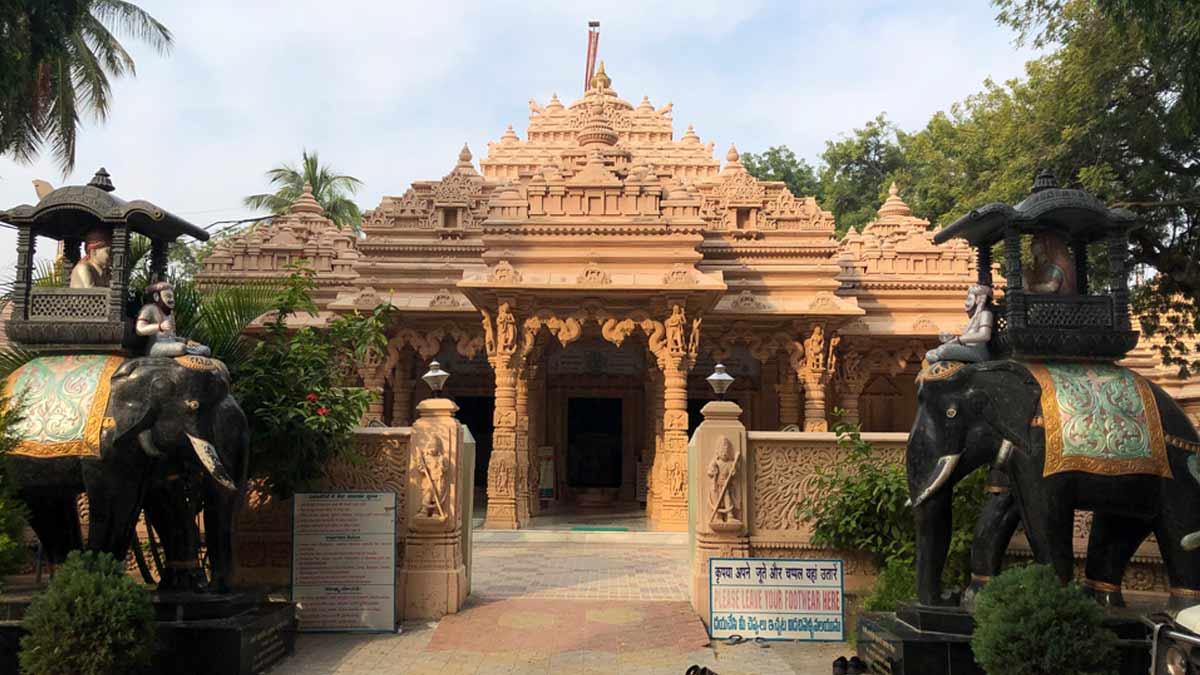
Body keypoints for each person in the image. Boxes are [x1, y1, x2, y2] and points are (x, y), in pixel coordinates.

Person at [136, 281, 211, 357]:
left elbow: (172, 337)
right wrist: (159, 327)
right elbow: (139, 329)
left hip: (172, 345)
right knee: (181, 348)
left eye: (172, 297)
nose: (172, 300)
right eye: (168, 296)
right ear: (156, 296)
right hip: (156, 346)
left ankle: (191, 351)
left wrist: (186, 341)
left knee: (205, 349)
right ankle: (189, 351)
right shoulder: (149, 309)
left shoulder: (170, 314)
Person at [925, 284, 994, 364]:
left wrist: (958, 340)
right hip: (967, 347)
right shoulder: (973, 318)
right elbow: (967, 337)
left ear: (979, 299)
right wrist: (952, 338)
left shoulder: (985, 313)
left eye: (969, 299)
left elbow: (985, 335)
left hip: (978, 352)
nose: (966, 303)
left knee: (942, 350)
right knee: (929, 354)